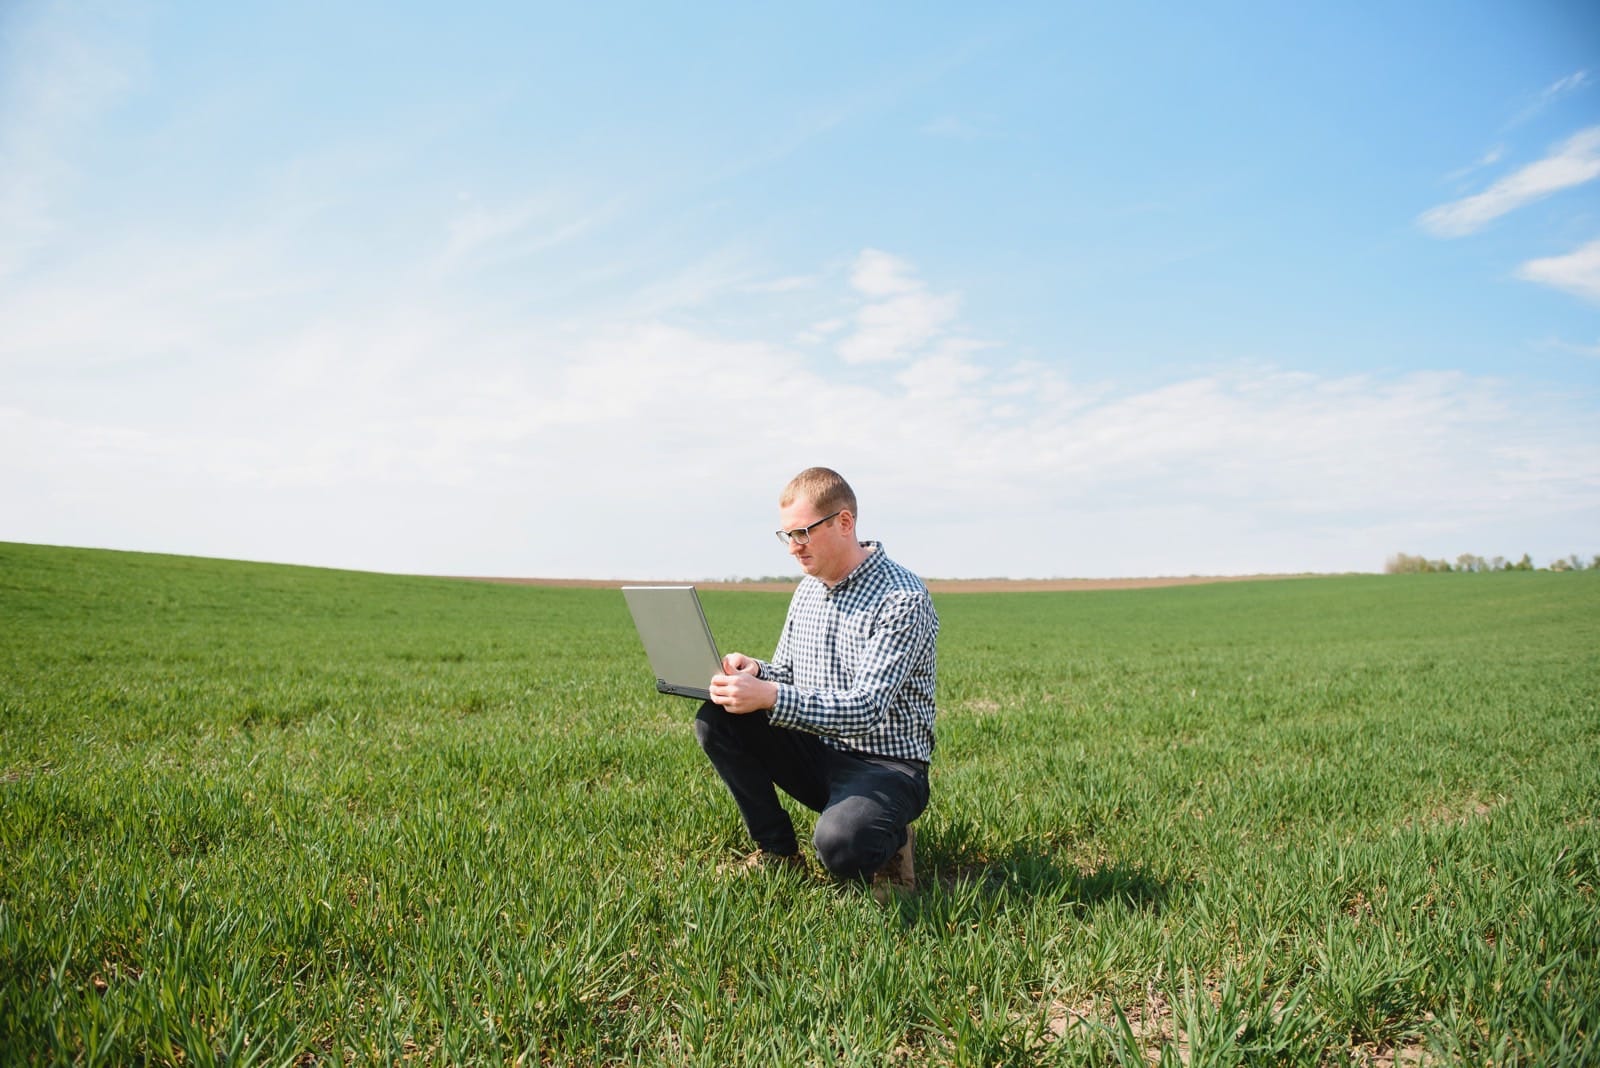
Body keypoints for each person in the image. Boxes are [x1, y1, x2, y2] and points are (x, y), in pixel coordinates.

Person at [696, 467, 938, 894]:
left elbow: (866, 708)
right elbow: (788, 673)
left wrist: (769, 694)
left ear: (845, 523)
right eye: (786, 535)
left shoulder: (902, 600)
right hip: (817, 749)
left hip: (885, 766)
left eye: (802, 533)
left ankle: (893, 838)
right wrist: (754, 672)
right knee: (717, 718)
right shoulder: (807, 590)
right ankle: (778, 853)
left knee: (842, 847)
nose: (793, 548)